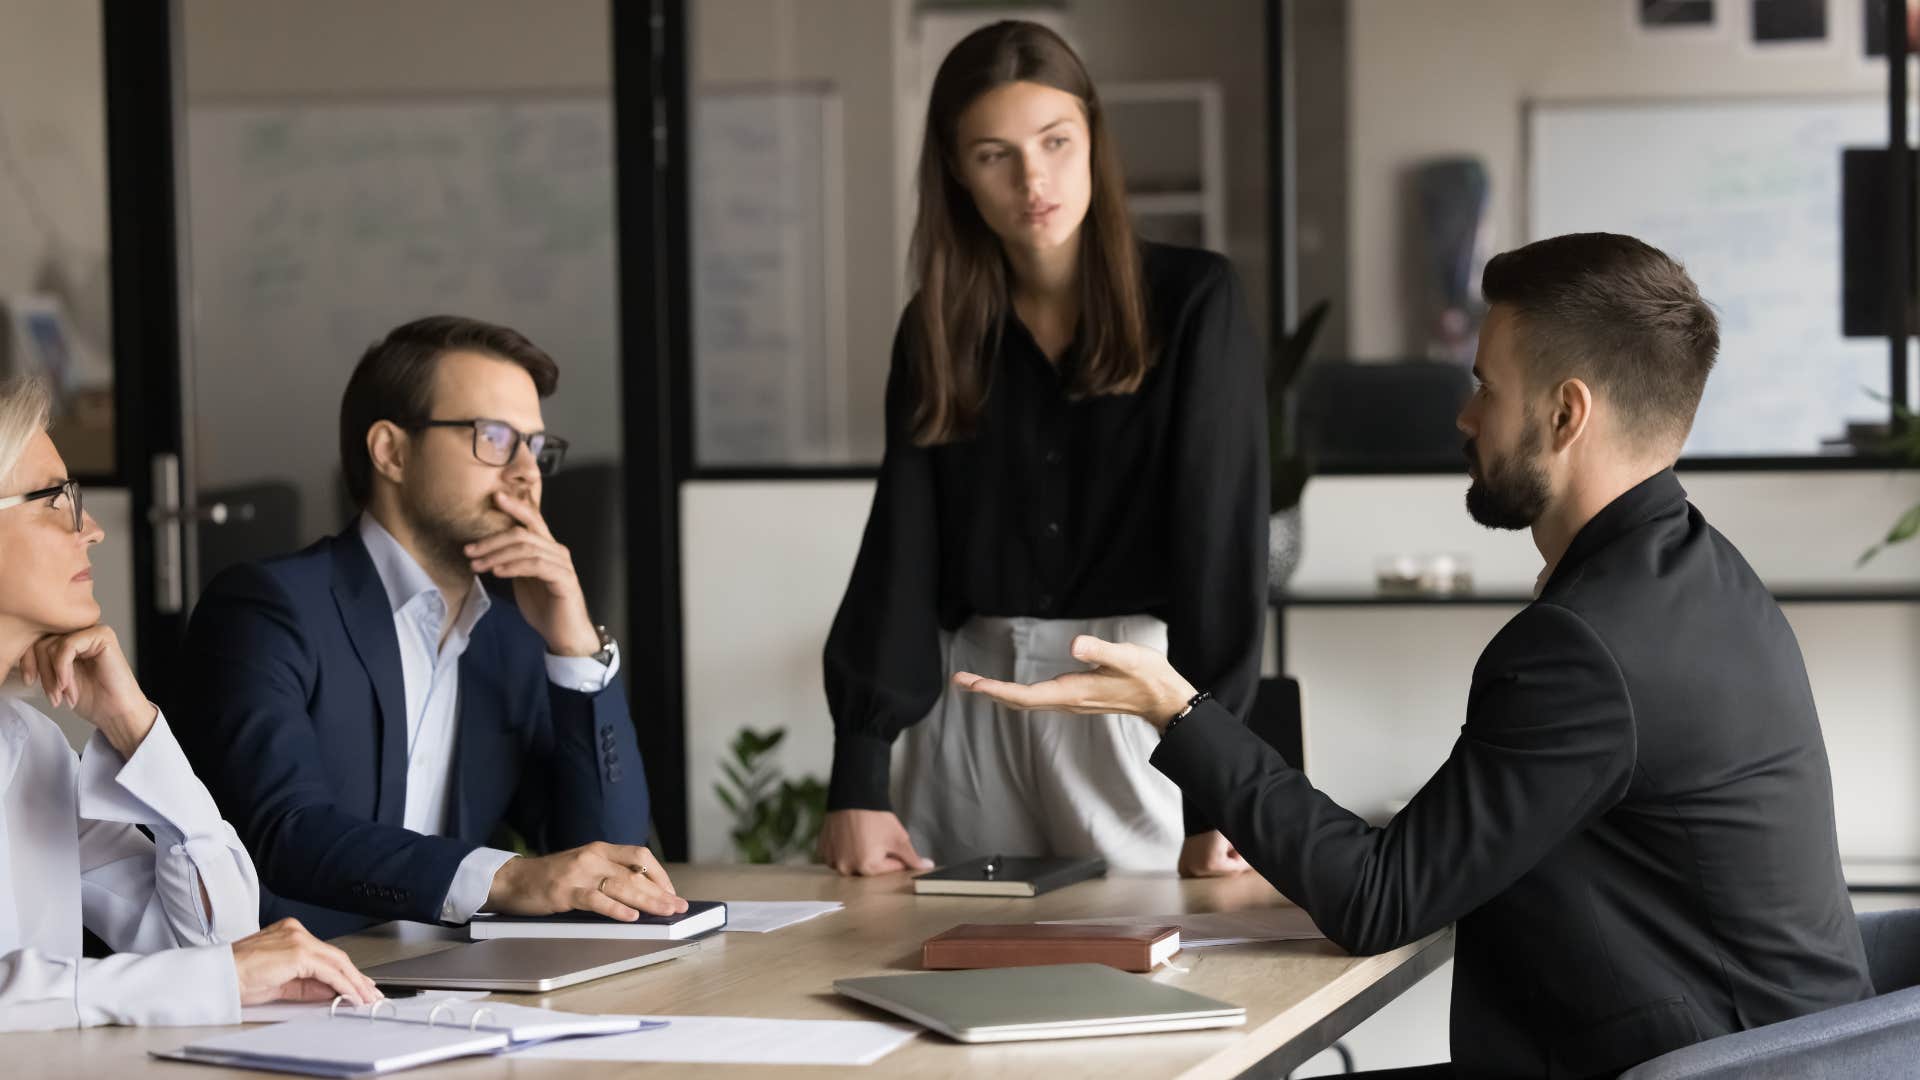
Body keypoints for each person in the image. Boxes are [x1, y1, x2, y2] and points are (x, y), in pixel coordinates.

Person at [954, 234, 1875, 1077]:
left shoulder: (1587, 644)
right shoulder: (1698, 576)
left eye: (1485, 385)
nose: (1467, 417)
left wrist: (1174, 707)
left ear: (1565, 413)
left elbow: (1377, 902)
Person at [819, 20, 1270, 879]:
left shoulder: (1194, 302)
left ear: (1094, 138)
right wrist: (860, 773)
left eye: (1056, 141)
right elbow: (900, 550)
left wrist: (1222, 790)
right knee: (945, 970)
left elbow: (1222, 556)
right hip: (970, 702)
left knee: (1145, 982)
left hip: (1126, 695)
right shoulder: (938, 328)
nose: (1034, 179)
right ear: (956, 169)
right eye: (994, 154)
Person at [175, 316, 680, 940]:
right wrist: (512, 880)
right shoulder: (269, 609)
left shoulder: (512, 638)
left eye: (536, 446)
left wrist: (575, 649)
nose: (527, 472)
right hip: (282, 990)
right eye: (494, 437)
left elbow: (610, 859)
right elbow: (285, 830)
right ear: (391, 450)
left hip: (444, 987)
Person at [0, 377, 380, 1030]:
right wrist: (213, 977)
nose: (89, 529)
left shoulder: (31, 746)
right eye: (56, 500)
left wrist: (136, 726)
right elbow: (214, 973)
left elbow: (212, 942)